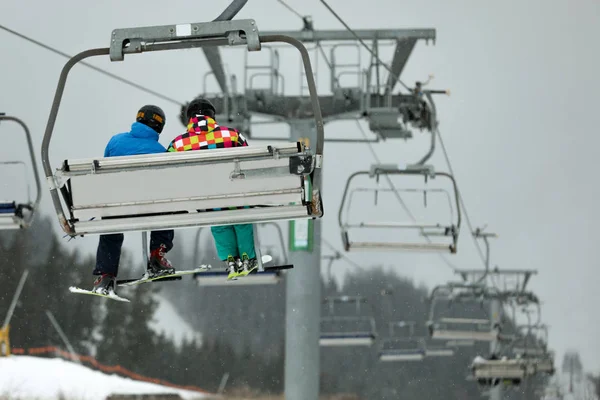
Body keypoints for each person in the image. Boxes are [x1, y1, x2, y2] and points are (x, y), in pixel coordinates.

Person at [167, 97, 257, 280]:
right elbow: (250, 160)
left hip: (206, 199)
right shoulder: (231, 135)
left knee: (220, 221)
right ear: (212, 116)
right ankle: (247, 257)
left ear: (189, 118)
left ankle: (230, 260)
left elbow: (167, 172)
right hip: (234, 195)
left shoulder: (178, 144)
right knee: (241, 217)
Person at [92, 105, 176, 295]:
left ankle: (105, 274)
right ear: (159, 127)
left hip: (117, 206)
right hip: (150, 206)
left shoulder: (115, 142)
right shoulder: (161, 151)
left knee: (111, 224)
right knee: (167, 206)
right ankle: (157, 253)